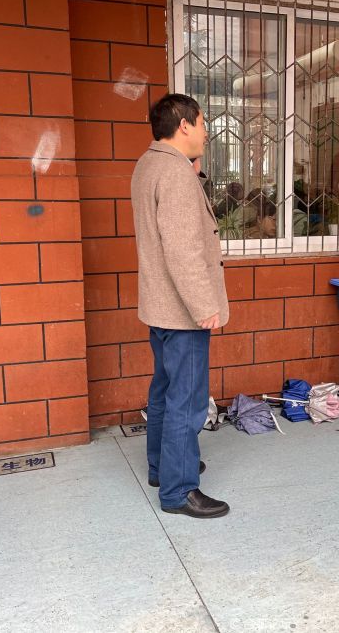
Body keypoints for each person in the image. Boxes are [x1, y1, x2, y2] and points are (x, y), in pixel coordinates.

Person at [131, 94, 230, 518]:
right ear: (185, 124)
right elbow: (183, 250)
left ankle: (162, 468)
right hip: (182, 311)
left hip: (160, 307)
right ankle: (178, 490)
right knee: (186, 402)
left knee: (164, 391)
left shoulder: (148, 164)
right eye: (203, 123)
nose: (206, 132)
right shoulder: (174, 174)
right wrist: (203, 305)